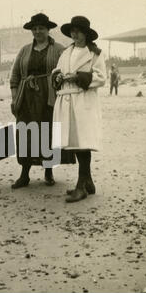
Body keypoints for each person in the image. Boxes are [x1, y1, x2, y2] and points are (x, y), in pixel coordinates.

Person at [52, 16, 106, 203]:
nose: (75, 35)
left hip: (83, 100)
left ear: (86, 34)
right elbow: (57, 70)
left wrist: (78, 77)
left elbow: (101, 77)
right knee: (75, 141)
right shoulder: (66, 52)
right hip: (66, 98)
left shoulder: (94, 53)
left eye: (78, 31)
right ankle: (88, 181)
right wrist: (57, 78)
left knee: (83, 141)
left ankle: (81, 185)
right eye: (72, 31)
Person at [10, 13, 66, 189]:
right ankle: (24, 174)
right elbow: (15, 76)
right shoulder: (24, 50)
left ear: (48, 29)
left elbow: (65, 73)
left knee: (48, 132)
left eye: (41, 28)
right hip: (26, 97)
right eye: (34, 28)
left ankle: (48, 172)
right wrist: (14, 98)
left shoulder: (59, 49)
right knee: (26, 133)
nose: (37, 31)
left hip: (49, 98)